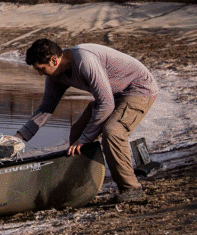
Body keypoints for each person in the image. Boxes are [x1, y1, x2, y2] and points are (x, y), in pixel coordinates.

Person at [16, 38, 158, 203]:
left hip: (139, 89)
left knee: (113, 132)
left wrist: (85, 140)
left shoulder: (85, 61)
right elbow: (46, 108)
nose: (40, 74)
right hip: (113, 95)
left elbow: (106, 104)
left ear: (54, 60)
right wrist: (19, 138)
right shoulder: (55, 75)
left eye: (41, 69)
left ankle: (131, 189)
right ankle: (82, 186)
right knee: (77, 132)